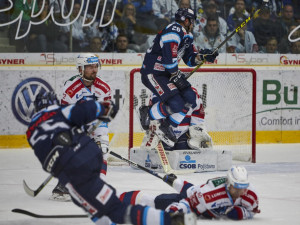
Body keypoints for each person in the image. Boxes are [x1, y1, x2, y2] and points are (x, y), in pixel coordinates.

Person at [26, 91, 196, 225]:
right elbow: (83, 111)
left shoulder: (30, 132)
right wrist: (104, 109)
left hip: (74, 172)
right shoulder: (59, 110)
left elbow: (48, 153)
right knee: (94, 209)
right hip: (92, 155)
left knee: (115, 209)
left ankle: (173, 221)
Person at [139, 8, 218, 147]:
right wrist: (176, 76)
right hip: (153, 73)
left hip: (167, 73)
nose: (193, 24)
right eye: (192, 21)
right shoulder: (173, 30)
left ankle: (167, 127)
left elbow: (190, 60)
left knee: (190, 98)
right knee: (176, 104)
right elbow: (169, 61)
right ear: (186, 20)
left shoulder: (187, 35)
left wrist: (203, 56)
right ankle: (147, 113)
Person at [51, 53, 111, 201]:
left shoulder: (104, 88)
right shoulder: (71, 88)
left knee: (103, 148)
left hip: (95, 124)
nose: (94, 70)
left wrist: (97, 133)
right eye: (90, 66)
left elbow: (104, 115)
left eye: (95, 66)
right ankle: (63, 185)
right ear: (80, 69)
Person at [119, 165, 260, 220]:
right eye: (237, 187)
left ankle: (177, 182)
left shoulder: (250, 195)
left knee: (188, 190)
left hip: (197, 191)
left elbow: (252, 210)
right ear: (229, 184)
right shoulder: (210, 194)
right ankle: (118, 199)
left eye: (244, 186)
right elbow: (188, 202)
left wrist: (241, 213)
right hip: (195, 197)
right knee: (157, 201)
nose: (242, 191)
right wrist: (174, 212)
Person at [141, 87, 212, 151]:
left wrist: (196, 130)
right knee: (164, 152)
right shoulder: (157, 92)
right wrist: (155, 129)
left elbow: (197, 112)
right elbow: (153, 113)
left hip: (185, 133)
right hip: (164, 134)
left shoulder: (192, 93)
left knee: (185, 153)